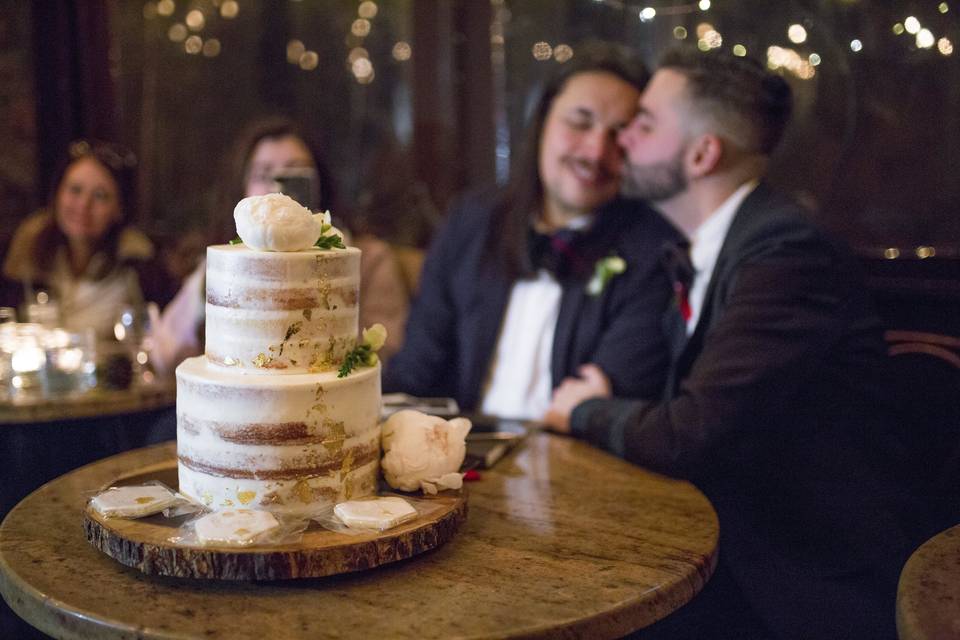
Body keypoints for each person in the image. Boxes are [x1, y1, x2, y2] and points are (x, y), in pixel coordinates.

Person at [544, 48, 919, 638]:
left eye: (644, 124)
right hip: (725, 557)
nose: (623, 142)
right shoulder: (713, 246)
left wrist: (583, 410)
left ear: (701, 153)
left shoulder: (785, 253)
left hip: (795, 585)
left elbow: (688, 435)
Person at [383, 44, 680, 419]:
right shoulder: (471, 222)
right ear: (542, 121)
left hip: (577, 464)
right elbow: (418, 370)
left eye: (619, 134)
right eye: (580, 122)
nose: (595, 151)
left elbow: (612, 400)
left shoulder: (652, 251)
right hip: (463, 454)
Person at [153, 116, 409, 372]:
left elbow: (387, 355)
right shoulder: (221, 265)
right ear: (243, 189)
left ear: (319, 182)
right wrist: (208, 285)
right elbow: (165, 354)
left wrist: (333, 266)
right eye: (263, 175)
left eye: (295, 172)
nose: (278, 190)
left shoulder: (370, 259)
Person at [0, 139, 174, 338]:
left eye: (100, 196)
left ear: (120, 208)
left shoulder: (137, 262)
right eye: (75, 190)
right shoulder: (31, 243)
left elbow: (158, 340)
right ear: (57, 195)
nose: (83, 206)